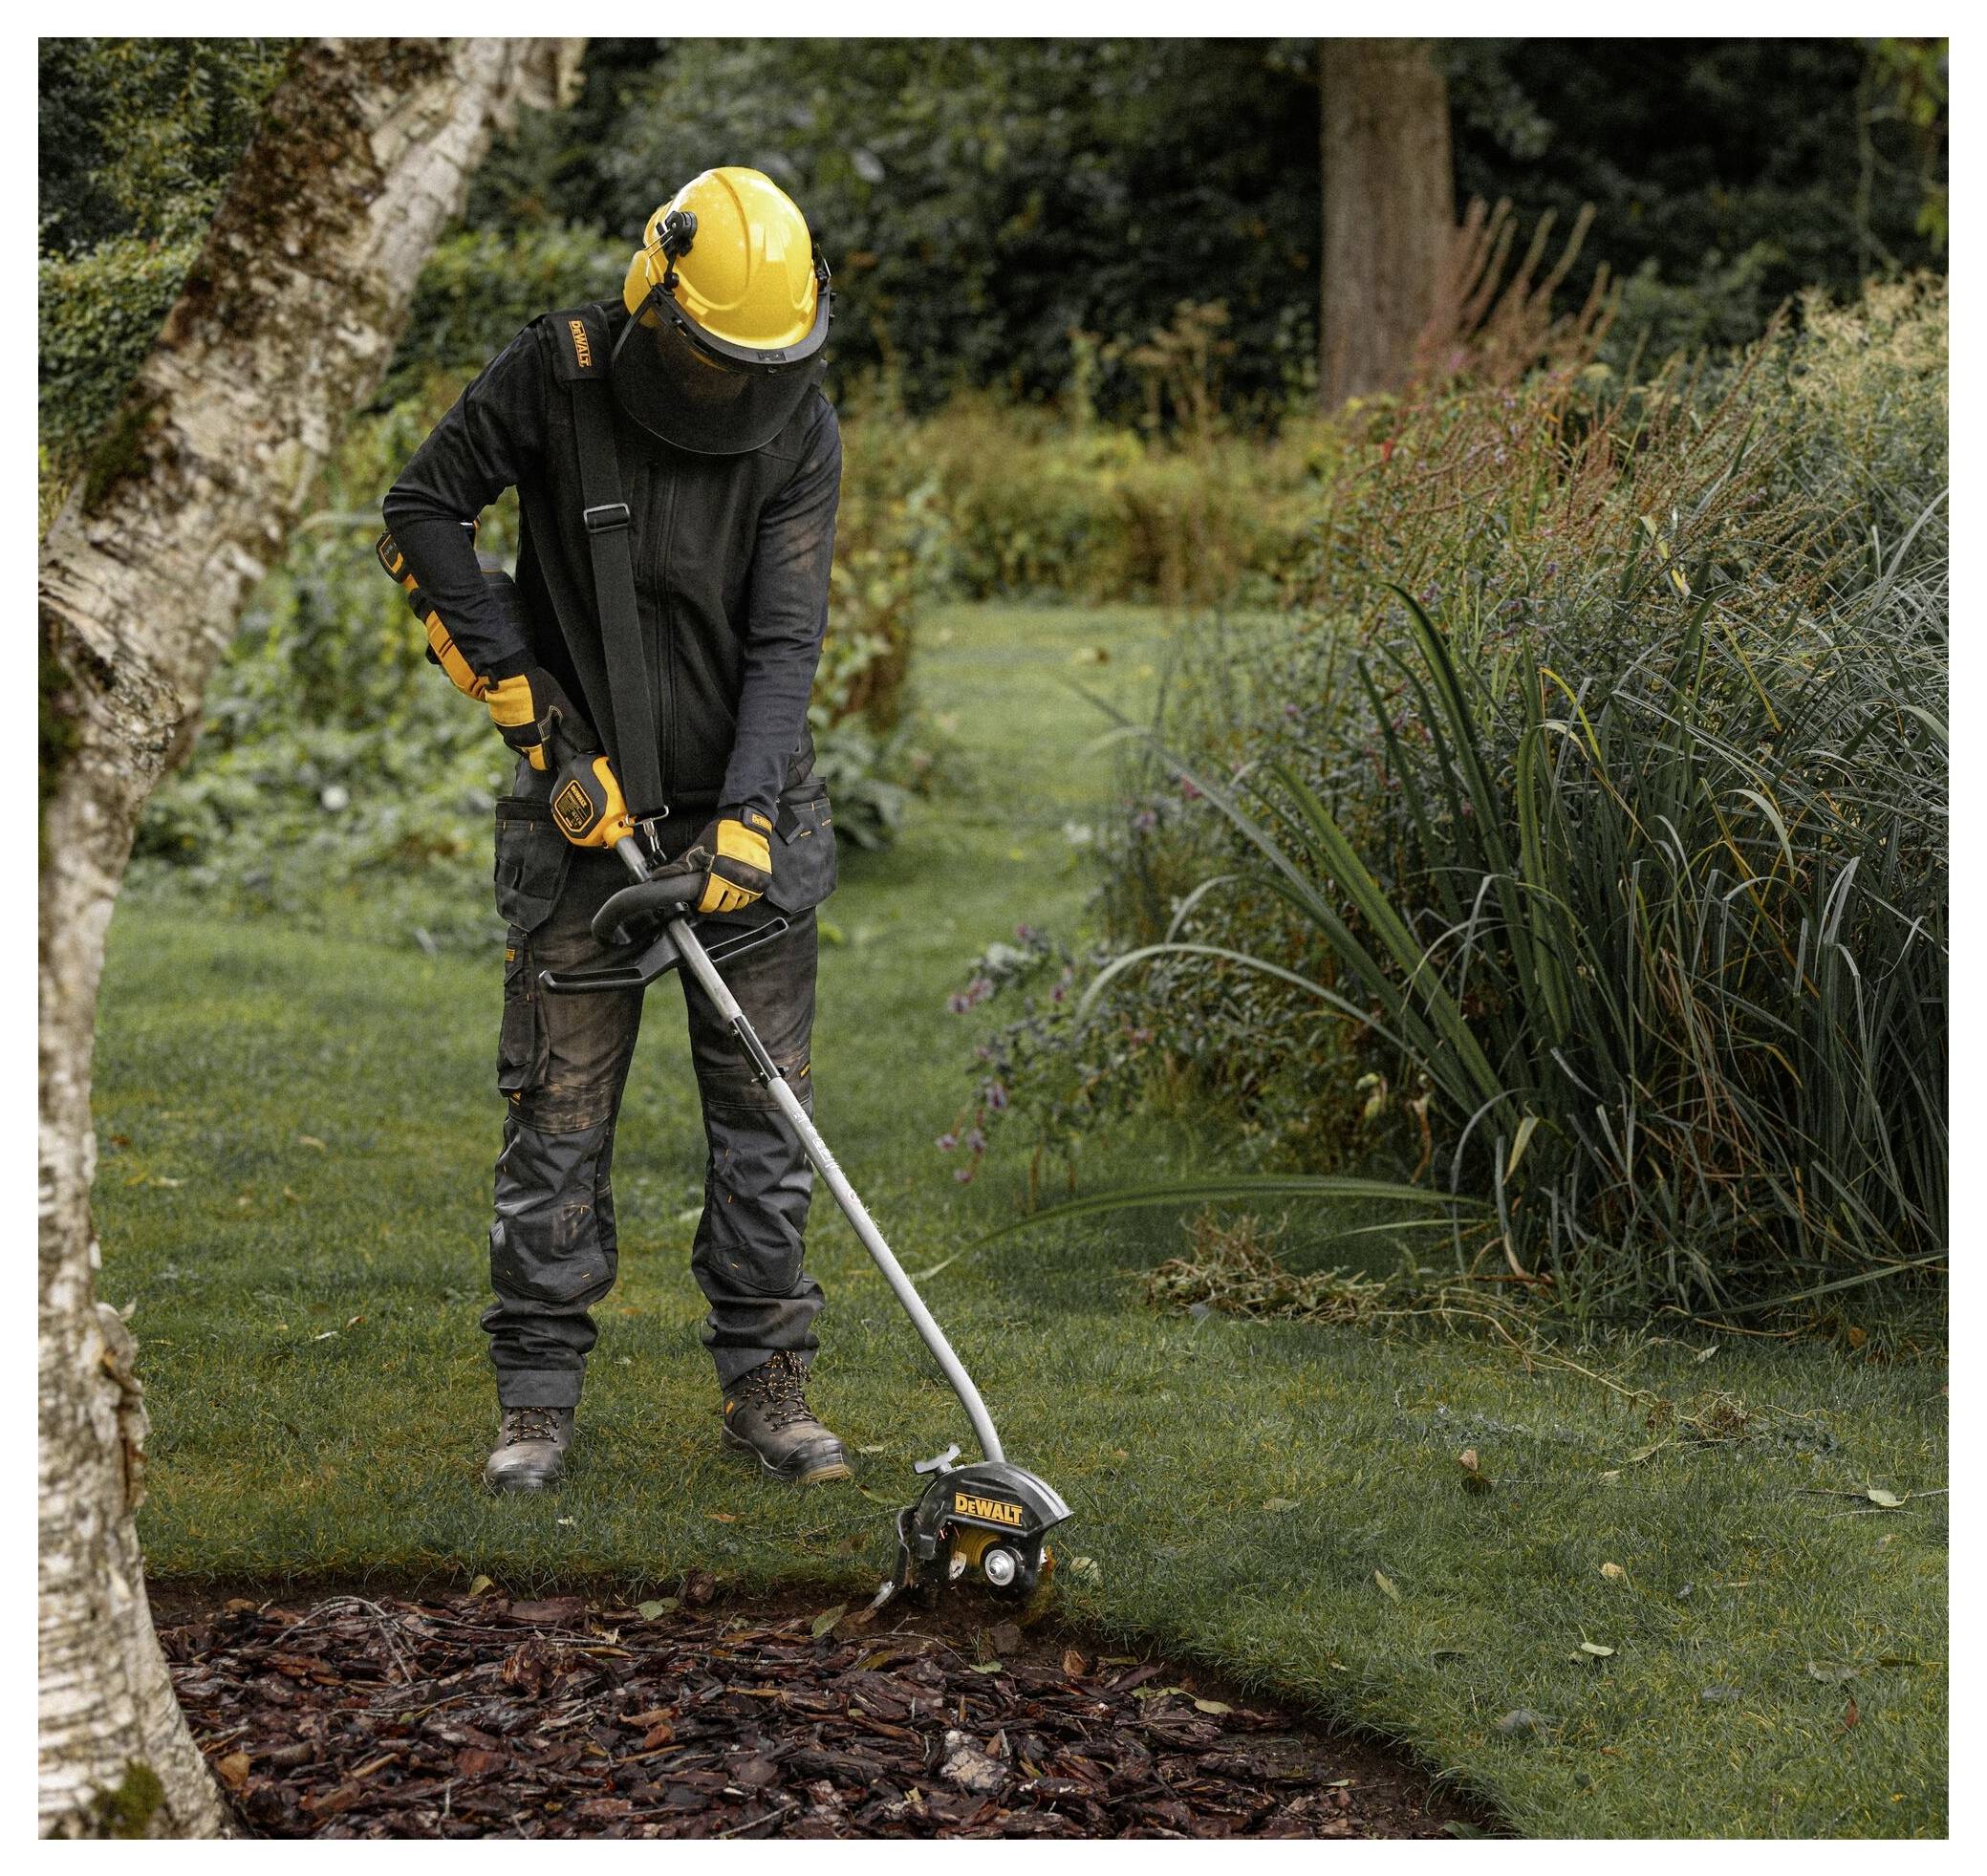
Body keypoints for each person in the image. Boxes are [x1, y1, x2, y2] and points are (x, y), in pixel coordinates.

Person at [379, 167, 850, 1493]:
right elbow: (422, 508)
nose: (729, 388)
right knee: (559, 1110)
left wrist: (750, 821)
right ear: (658, 303)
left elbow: (785, 641)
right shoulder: (563, 374)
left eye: (754, 364)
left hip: (746, 818)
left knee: (765, 1118)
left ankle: (769, 1389)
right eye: (708, 359)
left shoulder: (797, 427)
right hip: (576, 812)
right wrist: (528, 706)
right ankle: (536, 1401)